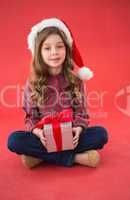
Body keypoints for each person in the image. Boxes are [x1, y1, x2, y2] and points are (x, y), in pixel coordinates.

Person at [7, 18, 108, 169]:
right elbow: (31, 116)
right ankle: (74, 158)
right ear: (39, 52)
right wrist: (37, 133)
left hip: (70, 135)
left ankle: (41, 157)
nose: (54, 52)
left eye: (59, 46)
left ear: (66, 50)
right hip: (44, 138)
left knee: (101, 134)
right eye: (47, 48)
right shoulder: (32, 83)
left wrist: (78, 129)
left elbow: (82, 112)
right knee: (14, 140)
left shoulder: (75, 80)